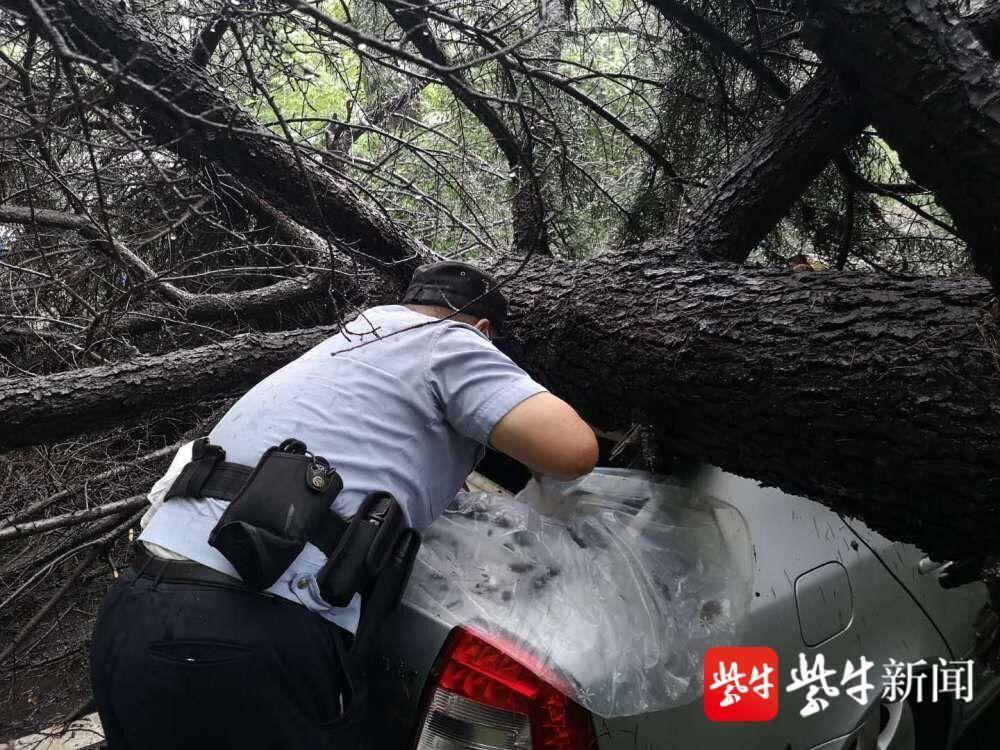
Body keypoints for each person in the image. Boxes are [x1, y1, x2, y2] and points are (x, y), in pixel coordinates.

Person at [88, 260, 598, 749]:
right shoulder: (450, 341)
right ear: (483, 328)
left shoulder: (343, 347)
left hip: (130, 617)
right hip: (246, 633)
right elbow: (573, 452)